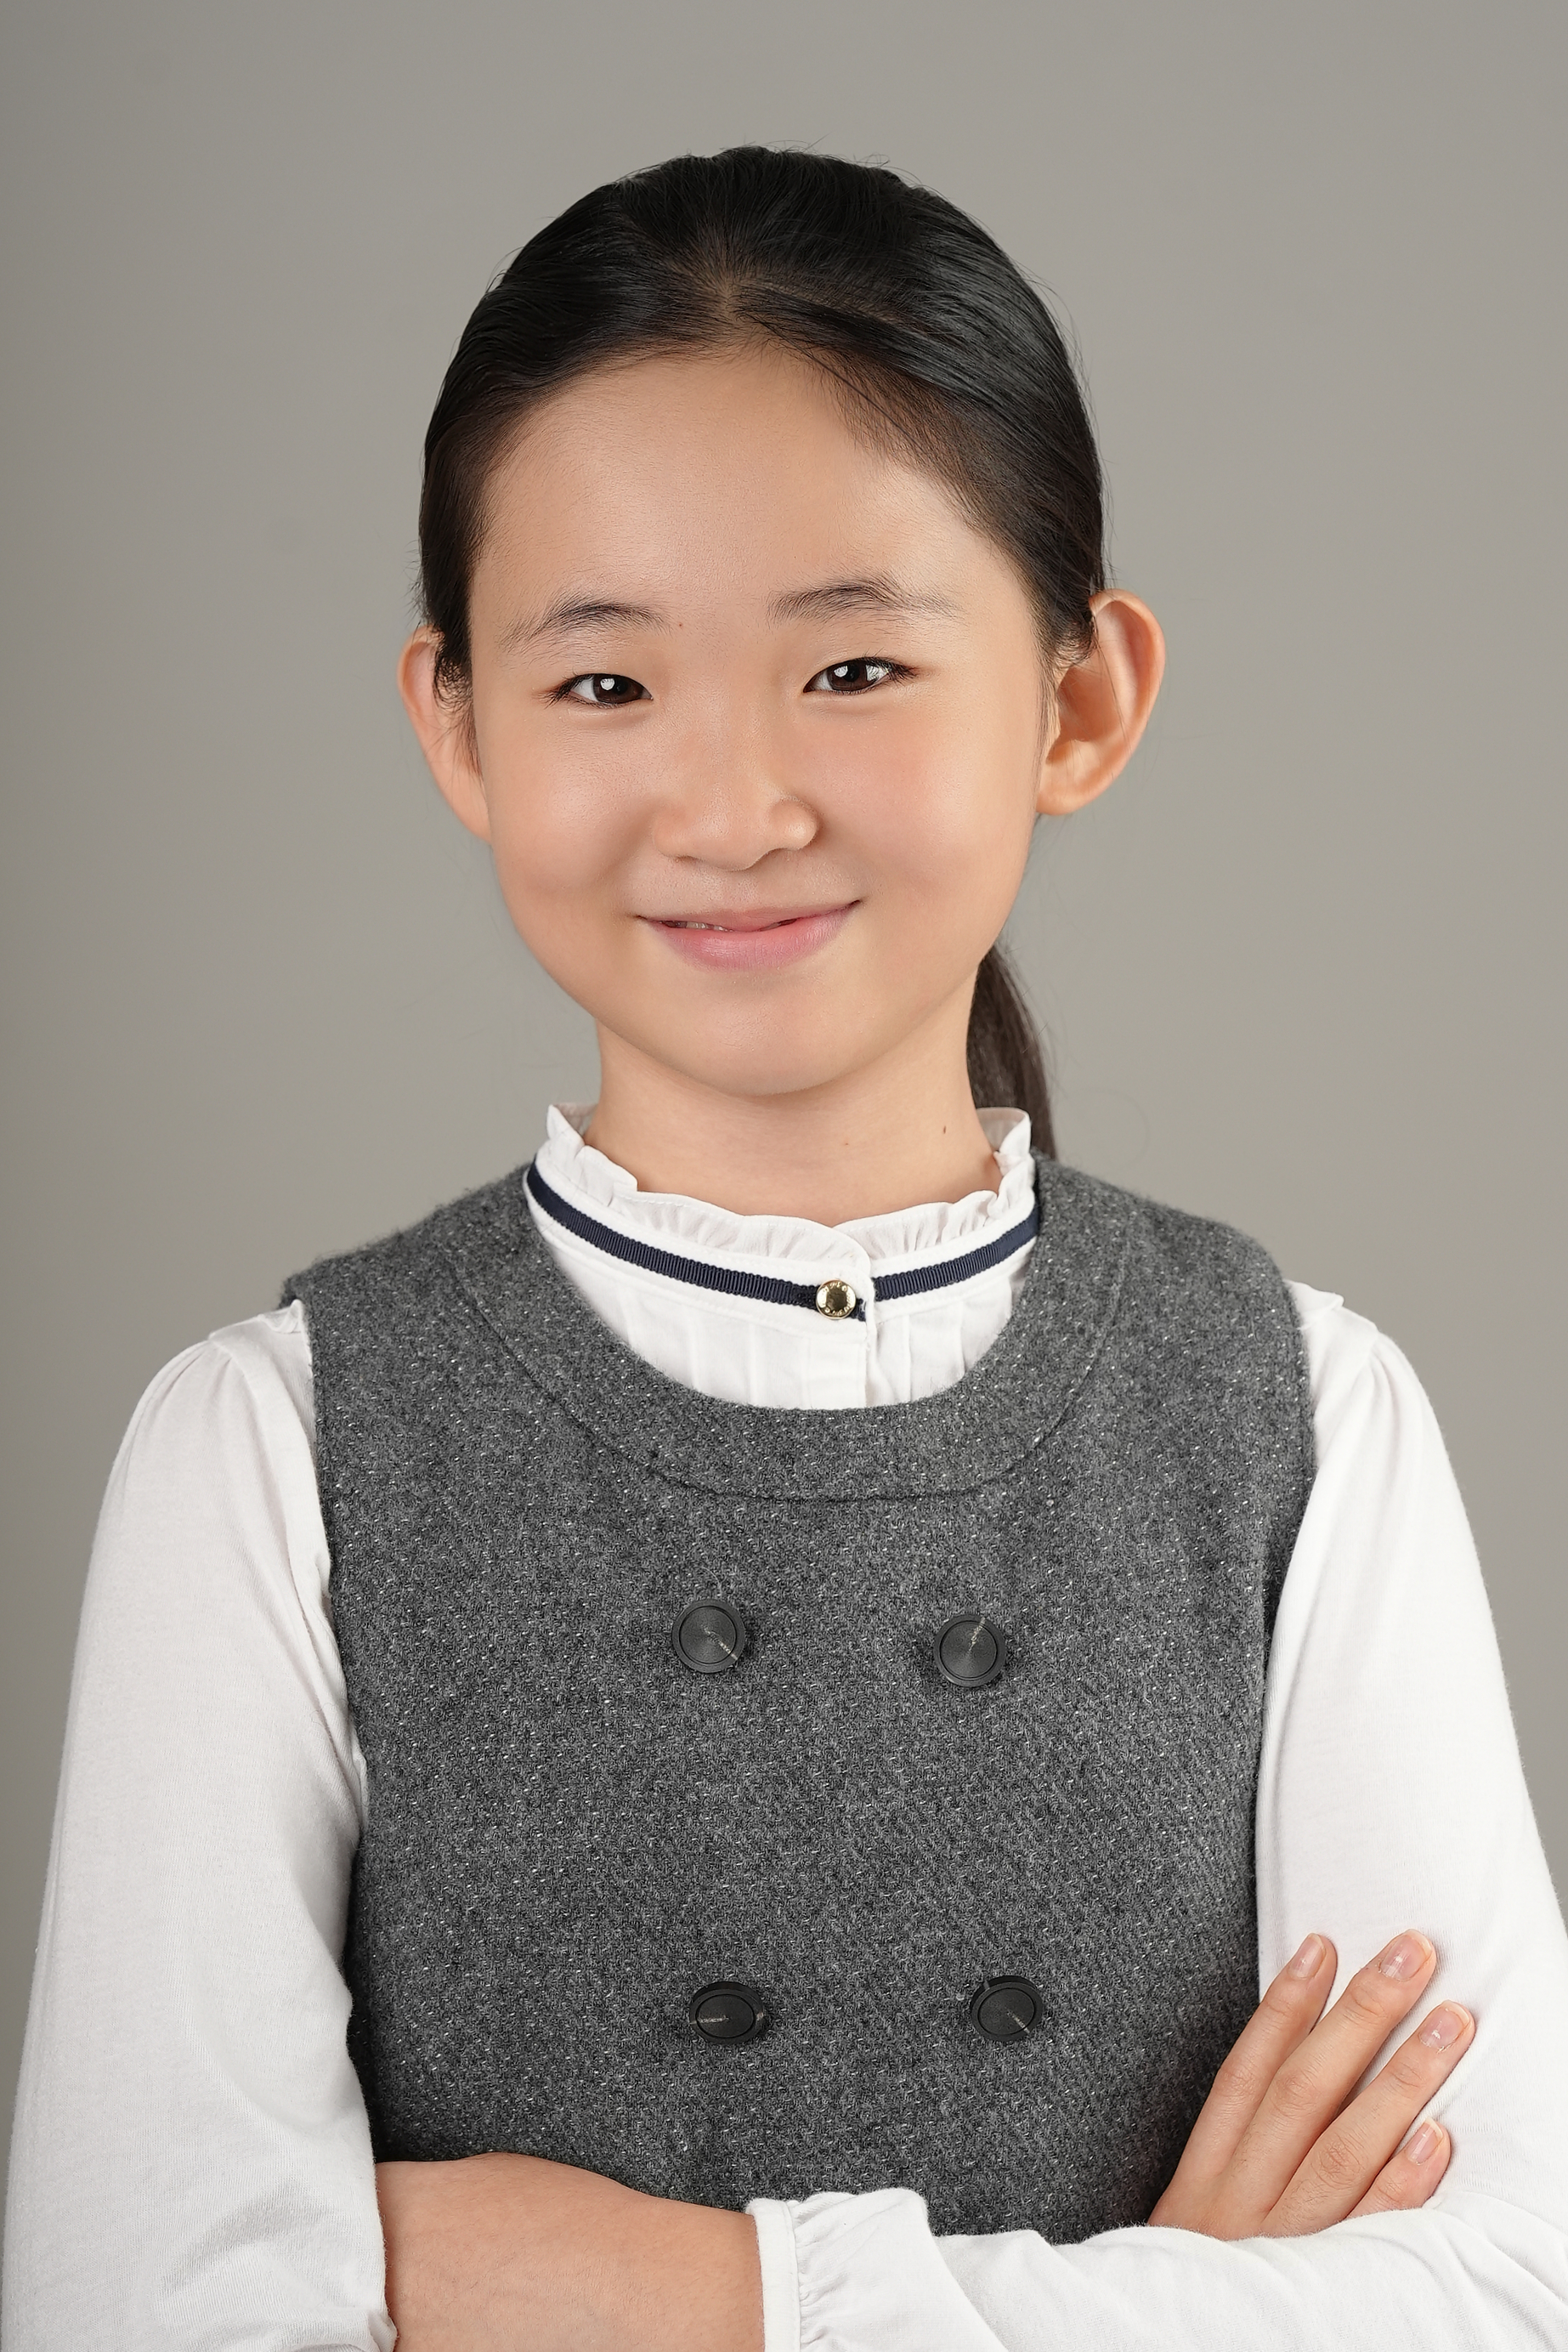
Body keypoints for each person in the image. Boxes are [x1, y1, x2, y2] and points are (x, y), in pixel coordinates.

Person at [4, 146, 1566, 2352]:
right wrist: (1183, 2308)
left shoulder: (1301, 1416)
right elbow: (151, 2315)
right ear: (456, 722)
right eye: (605, 687)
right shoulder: (270, 1450)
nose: (734, 807)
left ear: (1079, 699)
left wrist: (700, 2295)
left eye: (851, 666)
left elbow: (1505, 2287)